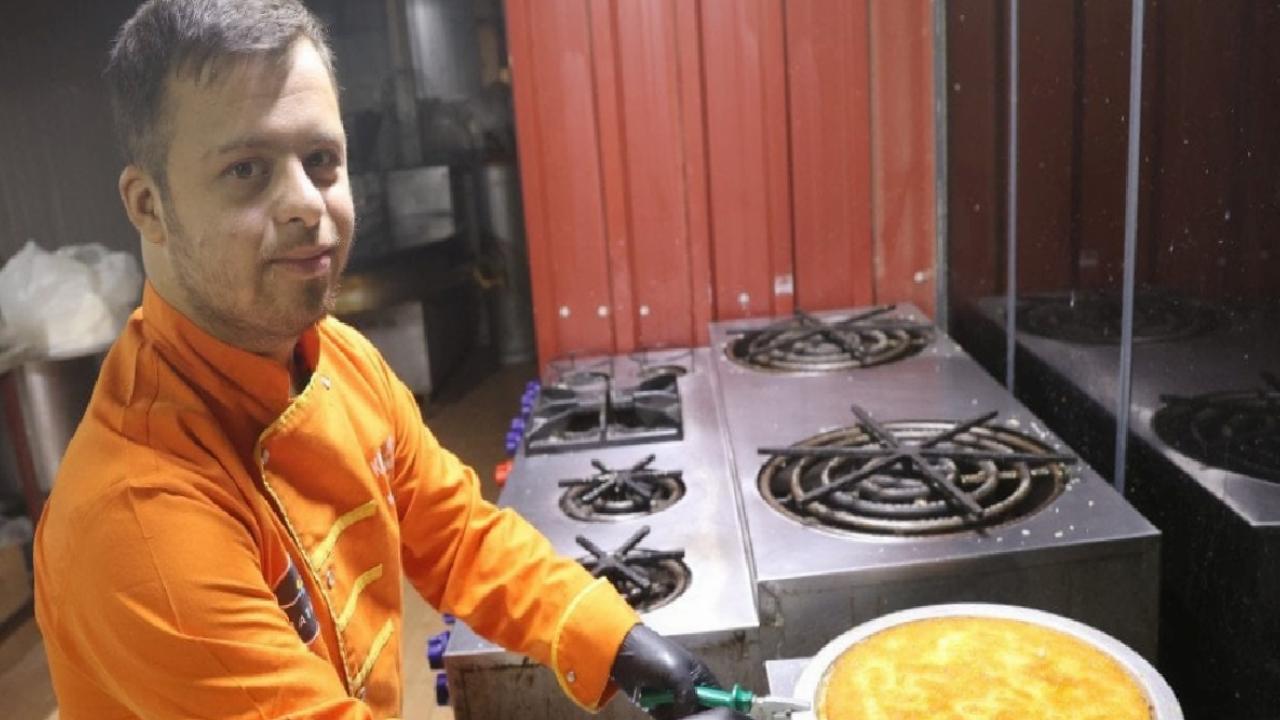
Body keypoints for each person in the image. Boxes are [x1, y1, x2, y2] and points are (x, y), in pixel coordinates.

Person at [32, 2, 748, 719]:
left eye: (321, 160)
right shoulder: (138, 522)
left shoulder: (338, 362)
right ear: (148, 205)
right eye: (246, 169)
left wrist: (614, 642)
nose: (305, 204)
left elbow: (459, 538)